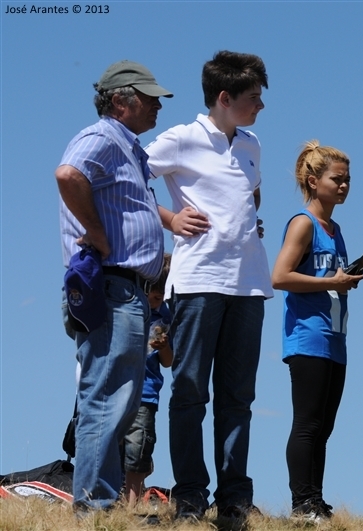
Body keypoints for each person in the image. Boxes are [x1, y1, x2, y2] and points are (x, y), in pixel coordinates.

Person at [144, 50, 272, 520]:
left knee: (238, 398)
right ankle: (190, 497)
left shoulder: (252, 144)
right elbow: (128, 177)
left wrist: (245, 225)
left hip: (249, 285)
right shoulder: (182, 139)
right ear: (224, 97)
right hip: (198, 282)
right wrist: (170, 218)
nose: (261, 105)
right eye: (253, 97)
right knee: (190, 392)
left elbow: (247, 197)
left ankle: (234, 498)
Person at [55, 59, 171, 511]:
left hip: (126, 289)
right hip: (113, 285)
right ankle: (95, 508)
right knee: (107, 396)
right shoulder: (103, 137)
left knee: (117, 399)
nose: (158, 105)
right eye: (149, 97)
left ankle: (100, 503)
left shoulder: (127, 147)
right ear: (121, 101)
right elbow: (69, 174)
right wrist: (96, 233)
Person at [271, 141, 363, 522]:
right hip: (308, 336)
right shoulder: (303, 223)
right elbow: (280, 276)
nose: (343, 186)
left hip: (335, 339)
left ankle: (316, 499)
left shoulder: (334, 229)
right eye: (336, 179)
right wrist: (331, 283)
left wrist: (343, 281)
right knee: (308, 423)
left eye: (347, 180)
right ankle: (302, 502)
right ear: (313, 181)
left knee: (324, 426)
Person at [123, 253, 174, 507]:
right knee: (115, 446)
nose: (156, 303)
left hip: (147, 393)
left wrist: (163, 347)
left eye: (161, 298)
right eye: (153, 297)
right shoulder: (128, 308)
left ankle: (131, 505)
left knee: (138, 447)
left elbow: (168, 361)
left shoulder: (165, 316)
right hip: (120, 388)